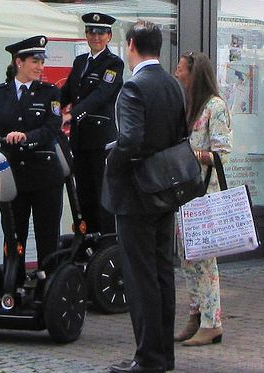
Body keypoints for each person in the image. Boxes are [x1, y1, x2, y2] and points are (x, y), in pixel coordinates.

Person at [102, 20, 186, 373]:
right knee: (162, 272)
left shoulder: (134, 86)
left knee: (140, 277)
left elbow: (132, 140)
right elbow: (179, 135)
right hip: (166, 190)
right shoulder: (172, 85)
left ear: (132, 44)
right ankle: (163, 355)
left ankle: (148, 357)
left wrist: (112, 160)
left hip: (137, 193)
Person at [0, 35, 64, 283]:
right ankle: (13, 285)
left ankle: (49, 289)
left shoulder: (50, 93)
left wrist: (26, 137)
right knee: (13, 236)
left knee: (47, 237)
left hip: (44, 177)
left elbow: (52, 128)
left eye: (42, 61)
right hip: (13, 180)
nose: (41, 67)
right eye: (35, 61)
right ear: (19, 62)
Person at [174, 51, 232, 346]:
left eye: (181, 68)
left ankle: (213, 322)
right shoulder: (190, 105)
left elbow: (221, 154)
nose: (176, 72)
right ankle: (195, 316)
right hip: (186, 194)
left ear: (194, 73)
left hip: (205, 193)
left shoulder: (215, 106)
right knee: (187, 259)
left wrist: (190, 154)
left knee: (205, 260)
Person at [61, 12, 124, 235]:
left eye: (101, 33)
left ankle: (106, 248)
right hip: (80, 140)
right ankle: (87, 243)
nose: (96, 37)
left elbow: (102, 94)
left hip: (100, 140)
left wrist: (73, 114)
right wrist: (51, 108)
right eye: (91, 32)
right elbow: (68, 92)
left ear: (109, 36)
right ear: (86, 35)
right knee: (84, 195)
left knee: (102, 195)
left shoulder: (114, 63)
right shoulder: (80, 62)